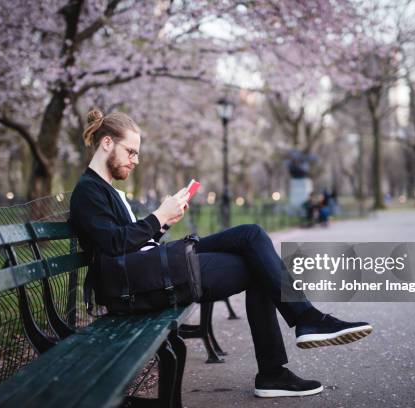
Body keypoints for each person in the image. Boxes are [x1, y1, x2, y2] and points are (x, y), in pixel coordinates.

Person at [69, 108, 373, 398]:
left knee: (251, 234)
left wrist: (162, 225)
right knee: (259, 268)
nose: (136, 160)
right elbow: (112, 244)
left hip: (149, 268)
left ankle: (302, 326)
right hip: (136, 286)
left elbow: (128, 243)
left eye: (137, 153)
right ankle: (281, 358)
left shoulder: (105, 189)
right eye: (131, 152)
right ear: (107, 143)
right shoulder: (88, 191)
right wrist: (158, 217)